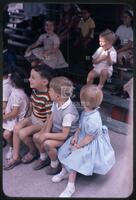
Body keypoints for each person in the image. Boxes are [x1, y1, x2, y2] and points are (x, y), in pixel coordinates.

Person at [52, 84, 116, 197]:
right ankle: (63, 171)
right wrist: (76, 136)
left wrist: (78, 146)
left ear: (84, 102)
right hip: (82, 136)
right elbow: (80, 126)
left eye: (81, 98)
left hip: (89, 142)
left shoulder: (93, 120)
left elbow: (89, 138)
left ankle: (70, 186)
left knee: (74, 158)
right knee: (64, 150)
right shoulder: (86, 111)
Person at [4, 65, 53, 170]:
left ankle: (33, 151)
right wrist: (26, 118)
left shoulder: (47, 97)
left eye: (33, 77)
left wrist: (44, 132)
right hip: (33, 117)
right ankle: (16, 156)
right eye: (30, 77)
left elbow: (49, 118)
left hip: (42, 123)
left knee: (22, 133)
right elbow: (31, 105)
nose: (29, 79)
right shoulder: (35, 91)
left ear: (44, 82)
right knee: (17, 127)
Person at [33, 76, 79, 173]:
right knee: (36, 136)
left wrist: (46, 135)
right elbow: (52, 118)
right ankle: (44, 157)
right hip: (57, 131)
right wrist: (45, 132)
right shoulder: (56, 102)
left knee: (48, 143)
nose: (48, 91)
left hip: (68, 138)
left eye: (50, 90)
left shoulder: (68, 113)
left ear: (58, 96)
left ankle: (55, 164)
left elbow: (64, 135)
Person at [3, 69, 30, 160]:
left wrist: (3, 117)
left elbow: (14, 113)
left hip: (16, 119)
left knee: (6, 134)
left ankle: (12, 148)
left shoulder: (16, 95)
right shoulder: (20, 90)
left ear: (13, 82)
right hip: (17, 117)